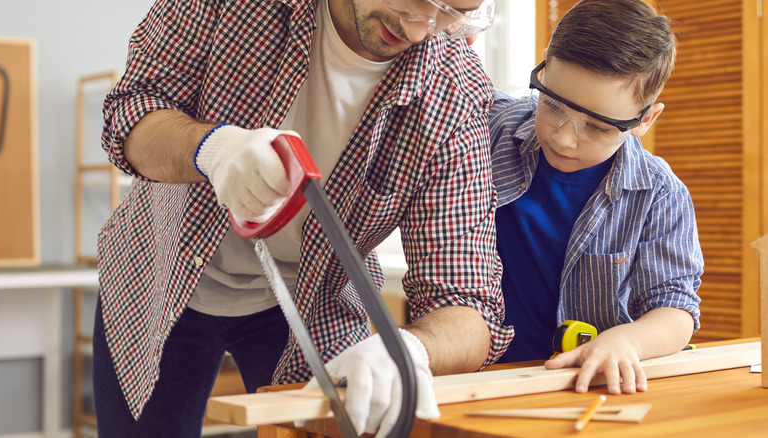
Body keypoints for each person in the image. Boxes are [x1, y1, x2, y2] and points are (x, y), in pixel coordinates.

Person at [96, 0, 512, 436]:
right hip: (158, 273)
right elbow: (130, 112)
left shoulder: (455, 93)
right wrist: (212, 149)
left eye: (453, 11)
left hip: (311, 297)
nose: (419, 29)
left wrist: (407, 351)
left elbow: (468, 303)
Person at [488, 0, 703, 395]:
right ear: (545, 67)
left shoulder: (659, 194)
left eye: (598, 127)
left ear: (645, 120)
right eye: (552, 105)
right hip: (482, 380)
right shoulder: (490, 127)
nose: (563, 137)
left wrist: (628, 341)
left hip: (586, 389)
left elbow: (676, 309)